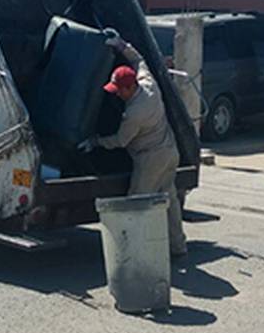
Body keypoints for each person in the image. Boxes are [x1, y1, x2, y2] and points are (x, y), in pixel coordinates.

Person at [80, 29, 187, 257]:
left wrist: (96, 141)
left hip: (151, 159)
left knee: (136, 204)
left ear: (129, 88)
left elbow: (120, 140)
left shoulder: (135, 113)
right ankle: (178, 246)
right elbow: (139, 60)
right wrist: (121, 44)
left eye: (118, 90)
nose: (116, 95)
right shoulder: (148, 83)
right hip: (170, 151)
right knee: (169, 201)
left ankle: (135, 253)